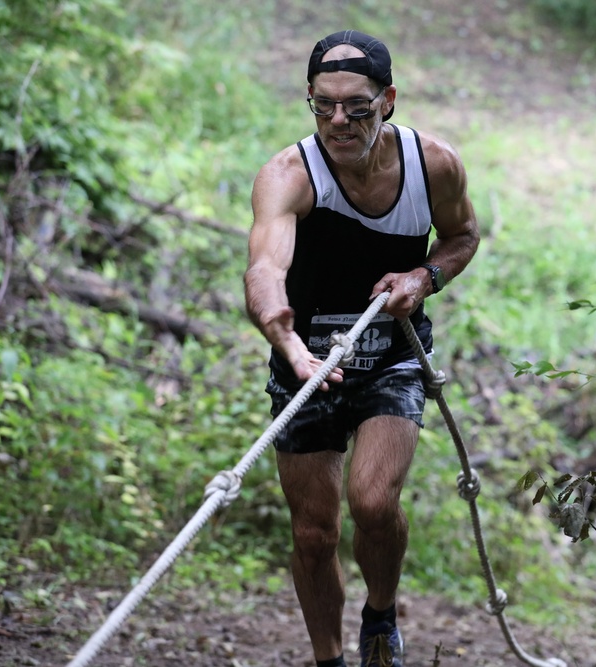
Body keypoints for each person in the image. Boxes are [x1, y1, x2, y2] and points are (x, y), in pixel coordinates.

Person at [243, 30, 480, 667]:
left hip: (392, 356)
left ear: (390, 100)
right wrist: (281, 332)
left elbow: (462, 236)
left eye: (356, 107)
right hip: (305, 360)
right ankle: (327, 659)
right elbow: (264, 267)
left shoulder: (434, 165)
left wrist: (422, 278)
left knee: (374, 502)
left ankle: (380, 614)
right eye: (322, 106)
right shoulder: (289, 174)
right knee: (314, 534)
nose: (338, 122)